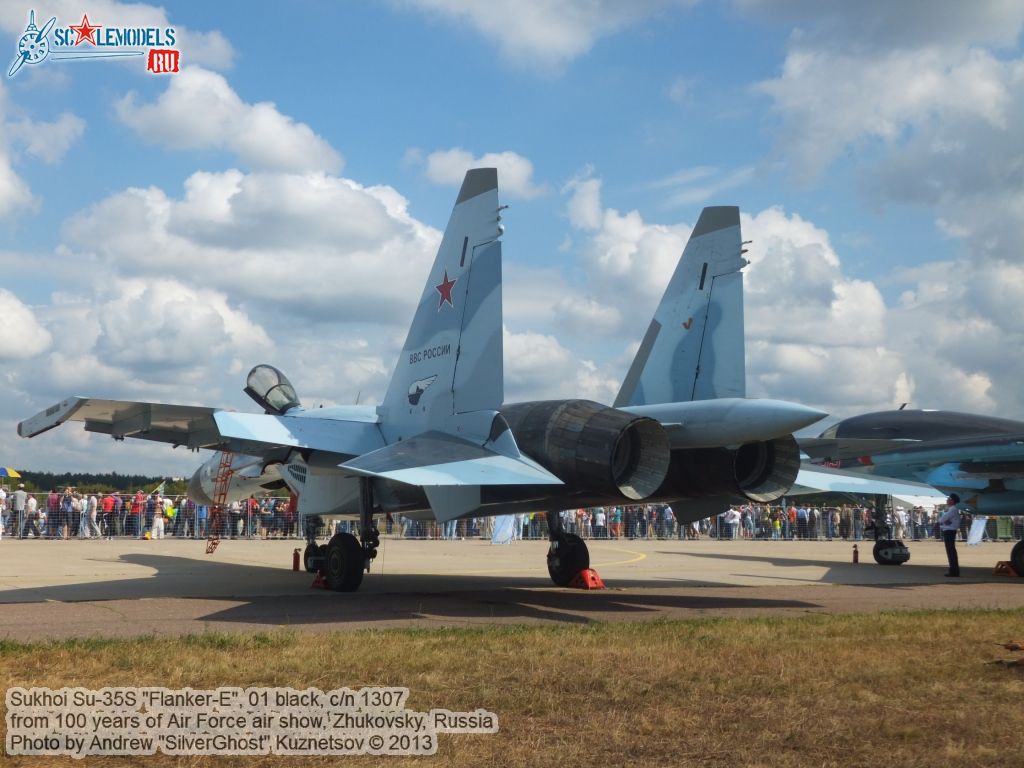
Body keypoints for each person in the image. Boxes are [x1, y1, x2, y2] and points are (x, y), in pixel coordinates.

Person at [938, 493, 962, 577]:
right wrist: (944, 522)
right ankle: (953, 570)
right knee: (951, 551)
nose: (947, 500)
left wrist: (944, 521)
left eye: (949, 499)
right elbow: (942, 521)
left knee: (951, 552)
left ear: (952, 501)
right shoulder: (951, 509)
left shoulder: (953, 509)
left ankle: (954, 571)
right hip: (949, 530)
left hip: (949, 531)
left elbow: (942, 519)